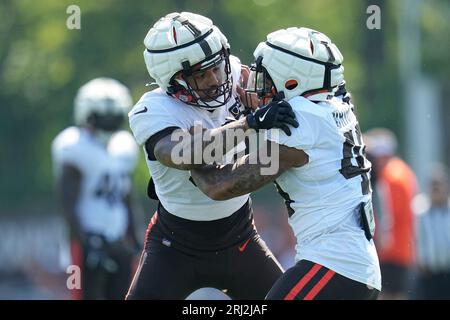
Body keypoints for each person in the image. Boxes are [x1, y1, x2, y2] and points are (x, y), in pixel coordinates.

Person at [191, 27, 382, 300]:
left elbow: (222, 186)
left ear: (292, 80)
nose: (259, 85)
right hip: (352, 268)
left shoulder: (300, 120)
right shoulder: (335, 104)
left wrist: (190, 160)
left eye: (267, 78)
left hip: (334, 265)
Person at [126, 12, 298, 300]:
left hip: (240, 236)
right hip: (175, 246)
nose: (215, 79)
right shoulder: (154, 110)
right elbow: (182, 154)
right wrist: (249, 123)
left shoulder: (238, 75)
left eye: (216, 67)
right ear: (172, 82)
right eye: (200, 74)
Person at [52, 78, 140, 300]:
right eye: (103, 117)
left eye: (114, 117)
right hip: (85, 242)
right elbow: (67, 203)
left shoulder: (124, 146)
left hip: (118, 240)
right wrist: (85, 242)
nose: (109, 123)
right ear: (86, 115)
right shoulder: (73, 145)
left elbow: (126, 196)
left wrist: (136, 239)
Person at [364, 128, 417, 299]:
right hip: (403, 249)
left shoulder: (389, 176)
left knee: (384, 295)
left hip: (389, 251)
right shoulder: (404, 170)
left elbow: (387, 215)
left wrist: (379, 242)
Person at [413, 164, 450, 299]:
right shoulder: (420, 210)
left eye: (439, 184)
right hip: (428, 274)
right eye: (433, 184)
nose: (436, 188)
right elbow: (415, 239)